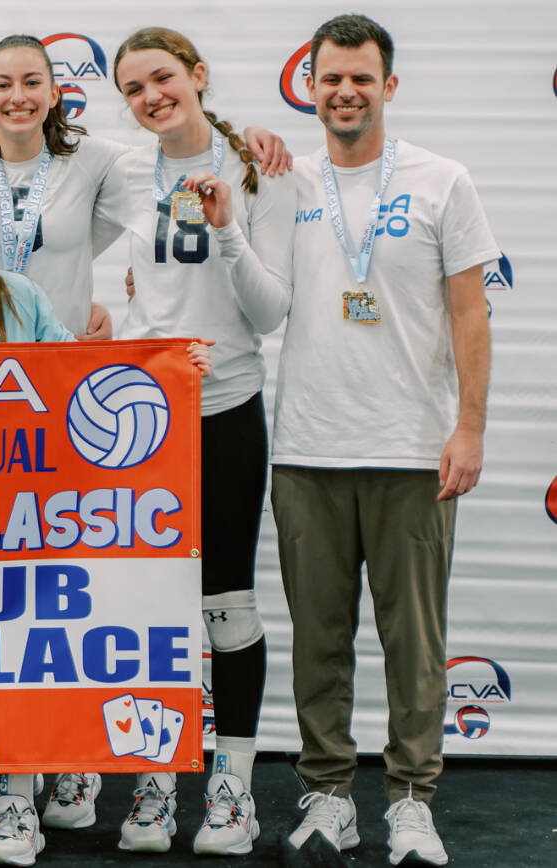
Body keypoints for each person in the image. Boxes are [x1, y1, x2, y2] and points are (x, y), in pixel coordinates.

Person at [0, 187, 209, 866]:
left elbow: (70, 374)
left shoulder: (21, 297)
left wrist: (172, 371)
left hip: (24, 514)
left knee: (15, 658)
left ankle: (14, 804)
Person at [271, 15, 494, 868]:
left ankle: (410, 801)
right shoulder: (282, 182)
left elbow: (472, 310)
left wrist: (469, 425)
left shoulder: (443, 180)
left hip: (412, 451)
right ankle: (328, 795)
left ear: (388, 86)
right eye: (331, 78)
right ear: (311, 86)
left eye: (362, 77)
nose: (346, 92)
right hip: (307, 450)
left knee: (415, 643)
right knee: (317, 640)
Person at [109, 27, 295, 857]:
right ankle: (153, 781)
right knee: (149, 605)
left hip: (226, 405)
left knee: (226, 599)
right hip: (143, 419)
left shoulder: (258, 165)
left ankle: (232, 787)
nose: (152, 97)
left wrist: (228, 231)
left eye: (164, 79)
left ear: (198, 76)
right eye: (134, 88)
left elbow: (269, 313)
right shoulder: (120, 170)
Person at [0, 35, 289, 350]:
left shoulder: (99, 160)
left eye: (32, 82)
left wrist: (246, 136)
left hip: (64, 353)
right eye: (3, 85)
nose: (18, 97)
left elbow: (179, 151)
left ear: (54, 93)